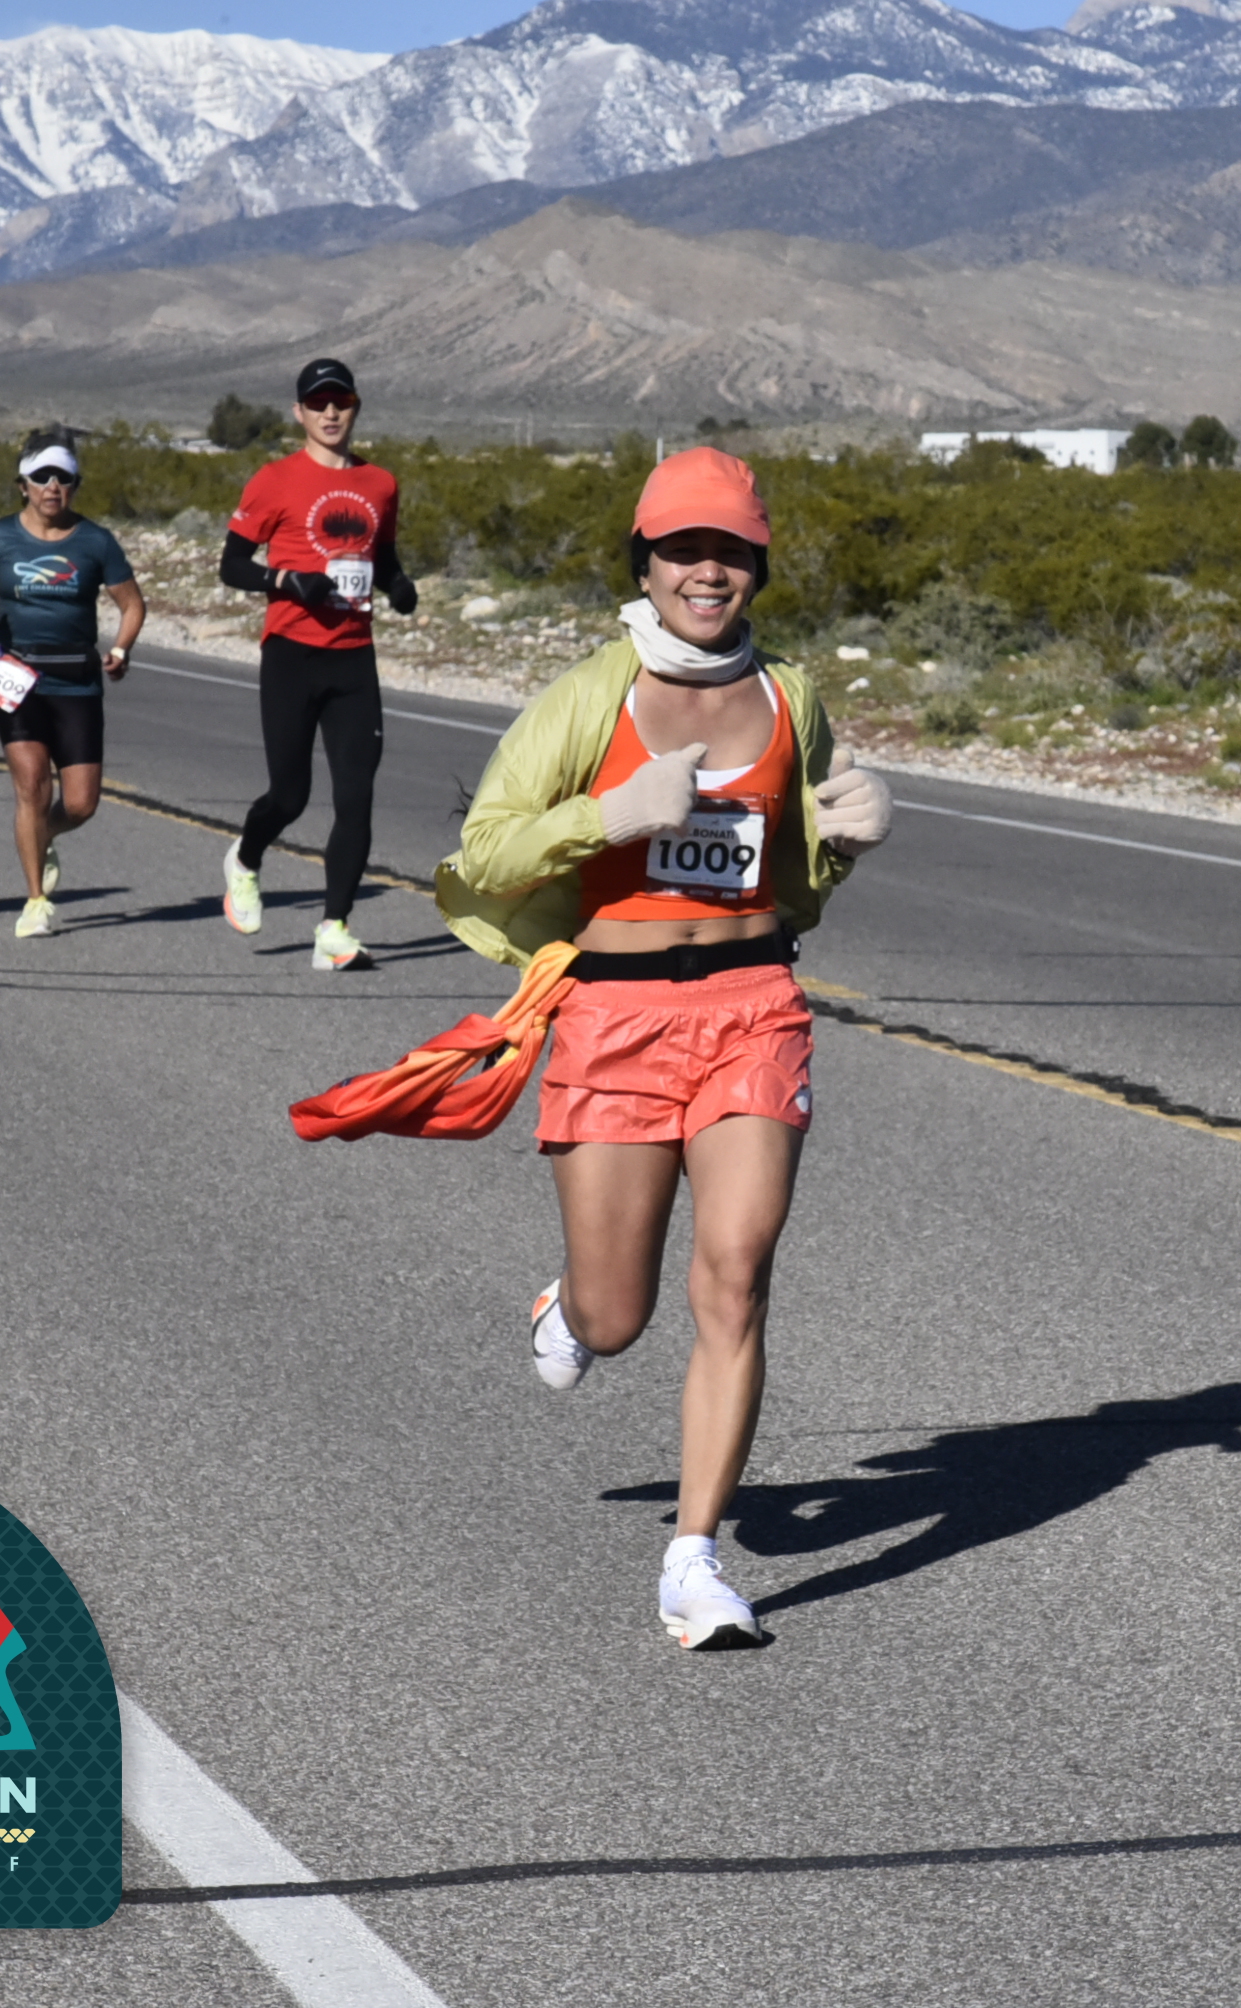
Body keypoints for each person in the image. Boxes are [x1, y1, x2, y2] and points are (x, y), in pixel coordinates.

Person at [434, 446, 895, 1650]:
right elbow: (484, 848)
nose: (708, 571)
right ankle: (571, 1311)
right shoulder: (589, 696)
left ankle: (693, 1561)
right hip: (615, 1014)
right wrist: (610, 814)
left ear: (758, 567)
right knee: (617, 1314)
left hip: (752, 1006)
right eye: (684, 549)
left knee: (735, 1273)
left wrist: (847, 840)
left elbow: (795, 880)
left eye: (731, 551)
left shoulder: (790, 698)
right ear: (643, 562)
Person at [215, 358, 418, 971]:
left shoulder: (380, 483)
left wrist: (398, 584)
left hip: (354, 660)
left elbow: (381, 556)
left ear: (356, 407)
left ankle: (334, 928)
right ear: (299, 412)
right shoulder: (274, 480)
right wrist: (285, 580)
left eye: (341, 402)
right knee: (290, 795)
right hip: (292, 654)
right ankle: (245, 859)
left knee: (356, 797)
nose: (331, 413)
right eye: (318, 403)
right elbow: (232, 565)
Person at [0, 431, 146, 939]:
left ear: (75, 485)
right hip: (15, 676)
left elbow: (132, 604)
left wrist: (122, 649)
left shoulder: (96, 541)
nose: (53, 486)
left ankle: (46, 835)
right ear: (23, 485)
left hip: (76, 679)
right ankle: (36, 901)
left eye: (63, 477)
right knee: (32, 785)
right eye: (42, 477)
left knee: (81, 803)